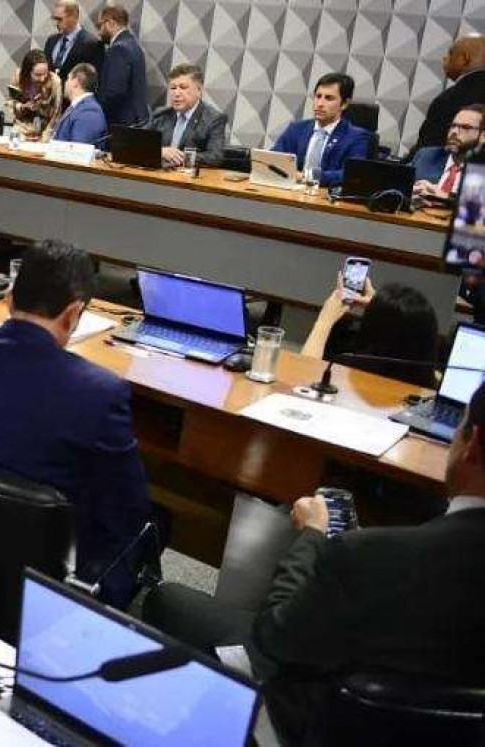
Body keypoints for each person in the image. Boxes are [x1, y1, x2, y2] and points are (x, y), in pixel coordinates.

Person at [146, 380, 485, 743]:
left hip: (301, 722)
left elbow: (274, 638)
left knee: (167, 600)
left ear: (473, 444)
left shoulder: (367, 556)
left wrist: (313, 536)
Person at [0, 241, 151, 609]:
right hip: (27, 590)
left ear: (9, 297)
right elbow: (128, 511)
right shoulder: (100, 393)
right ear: (73, 315)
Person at [300, 276, 439, 388]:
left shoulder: (346, 372)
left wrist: (324, 321)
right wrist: (381, 305)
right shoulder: (432, 385)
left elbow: (302, 375)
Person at [271, 72, 373, 188]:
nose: (320, 104)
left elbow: (351, 174)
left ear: (344, 104)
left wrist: (308, 176)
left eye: (328, 98)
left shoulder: (357, 137)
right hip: (290, 193)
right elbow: (273, 160)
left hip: (325, 195)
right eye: (318, 96)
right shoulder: (296, 129)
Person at [412, 36, 485, 154]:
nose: (444, 58)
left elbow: (426, 150)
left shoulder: (448, 99)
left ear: (463, 59)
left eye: (450, 54)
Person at [146, 63, 227, 168]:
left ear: (199, 90)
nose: (177, 93)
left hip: (190, 175)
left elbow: (215, 157)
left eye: (183, 87)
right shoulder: (160, 115)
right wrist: (160, 152)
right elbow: (138, 143)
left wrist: (179, 157)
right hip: (159, 173)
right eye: (173, 88)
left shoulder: (214, 118)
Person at [412, 104, 484, 200]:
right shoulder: (426, 155)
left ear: (483, 136)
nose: (454, 131)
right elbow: (397, 186)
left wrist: (445, 197)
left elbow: (476, 204)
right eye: (453, 126)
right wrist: (409, 192)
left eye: (465, 127)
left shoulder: (480, 167)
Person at [94, 5, 148, 127]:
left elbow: (114, 91)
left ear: (110, 23)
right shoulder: (133, 45)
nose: (98, 32)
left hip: (121, 122)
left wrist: (96, 112)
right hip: (135, 119)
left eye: (99, 26)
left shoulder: (118, 49)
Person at [42, 0, 102, 83]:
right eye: (54, 19)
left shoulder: (92, 44)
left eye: (59, 19)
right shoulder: (51, 41)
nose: (56, 24)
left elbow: (94, 80)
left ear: (74, 17)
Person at [8, 49, 62, 141]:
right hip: (22, 127)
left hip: (46, 129)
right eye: (37, 75)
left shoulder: (55, 81)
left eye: (45, 73)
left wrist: (47, 133)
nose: (42, 78)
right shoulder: (19, 77)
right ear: (27, 72)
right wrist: (24, 107)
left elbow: (57, 112)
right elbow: (11, 102)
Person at [49, 63, 106, 144]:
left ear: (75, 82)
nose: (65, 82)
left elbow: (79, 149)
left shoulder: (88, 112)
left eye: (68, 78)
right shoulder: (78, 107)